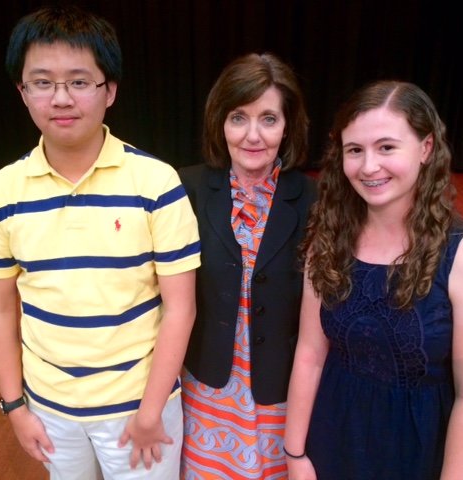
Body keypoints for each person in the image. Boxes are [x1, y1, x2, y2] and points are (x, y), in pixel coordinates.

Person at [0, 5, 200, 479]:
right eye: (42, 82)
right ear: (22, 92)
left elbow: (181, 307)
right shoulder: (1, 193)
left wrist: (150, 412)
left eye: (79, 81)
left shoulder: (157, 183)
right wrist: (15, 406)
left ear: (109, 90)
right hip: (50, 410)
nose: (61, 98)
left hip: (140, 407)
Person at [284, 80, 463, 479]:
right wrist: (296, 454)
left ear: (426, 148)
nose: (369, 166)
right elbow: (310, 352)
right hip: (333, 440)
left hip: (418, 455)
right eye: (355, 150)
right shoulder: (328, 242)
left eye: (386, 147)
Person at [178, 52, 316, 479]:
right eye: (239, 118)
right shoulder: (186, 189)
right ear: (220, 122)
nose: (253, 135)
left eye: (269, 119)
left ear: (287, 125)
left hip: (279, 393)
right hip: (206, 388)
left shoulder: (315, 202)